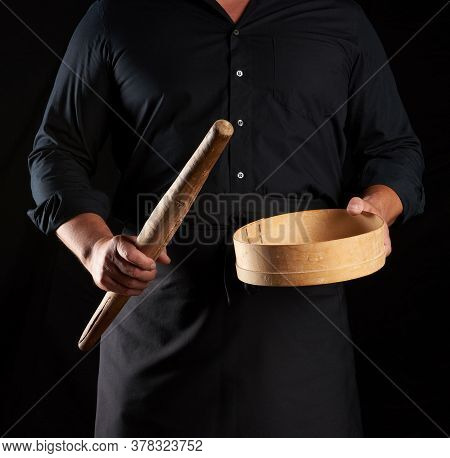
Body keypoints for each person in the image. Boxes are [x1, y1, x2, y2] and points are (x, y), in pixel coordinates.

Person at [28, 0, 425, 437]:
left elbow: (394, 150)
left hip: (302, 343)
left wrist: (377, 209)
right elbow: (57, 150)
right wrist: (94, 247)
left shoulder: (339, 16)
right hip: (155, 332)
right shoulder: (116, 14)